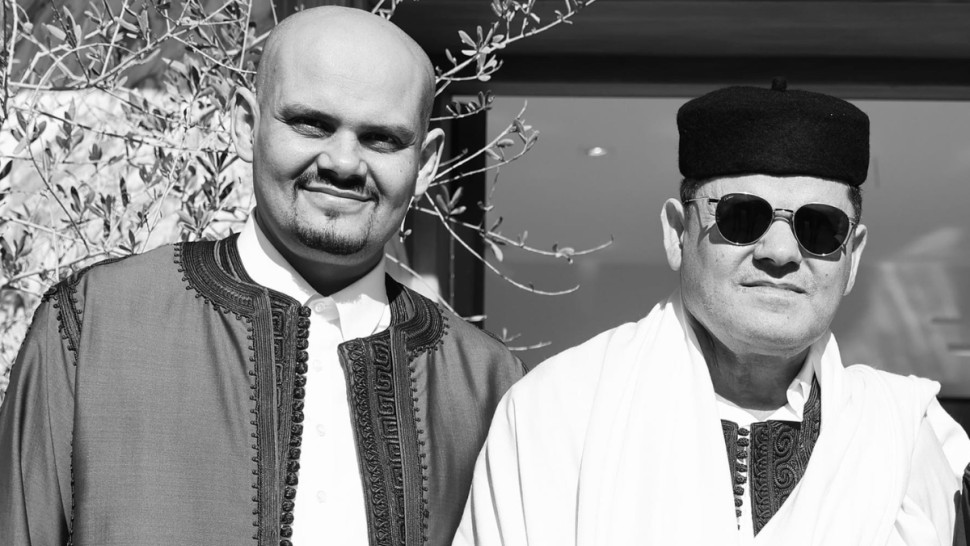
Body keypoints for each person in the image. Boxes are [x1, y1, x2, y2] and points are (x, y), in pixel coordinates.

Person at [0, 7, 523, 545]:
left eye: (381, 138)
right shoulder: (93, 326)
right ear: (246, 125)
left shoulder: (489, 387)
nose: (343, 162)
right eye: (311, 124)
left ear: (426, 162)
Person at [454, 80, 970, 545]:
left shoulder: (906, 441)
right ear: (677, 233)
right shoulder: (560, 412)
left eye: (818, 227)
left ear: (852, 257)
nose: (780, 252)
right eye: (743, 217)